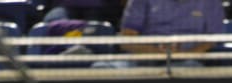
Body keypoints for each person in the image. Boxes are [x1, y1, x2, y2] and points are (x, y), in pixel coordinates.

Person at [96, 0, 225, 67]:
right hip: (143, 59)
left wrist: (183, 55)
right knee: (101, 67)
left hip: (188, 61)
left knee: (189, 71)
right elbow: (126, 40)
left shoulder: (211, 2)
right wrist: (157, 52)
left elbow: (212, 40)